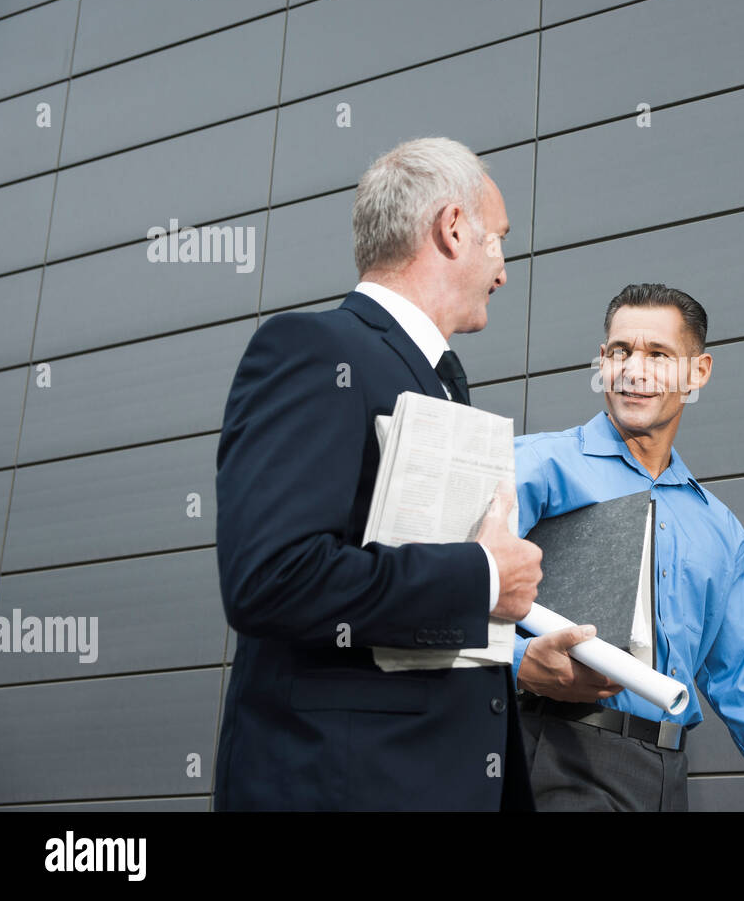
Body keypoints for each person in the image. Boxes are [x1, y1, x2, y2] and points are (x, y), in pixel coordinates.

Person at [213, 137, 542, 810]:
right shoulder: (313, 351)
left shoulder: (437, 382)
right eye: (498, 241)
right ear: (453, 229)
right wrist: (481, 577)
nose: (503, 271)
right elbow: (273, 577)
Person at [511, 283, 744, 812]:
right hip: (549, 752)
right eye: (620, 352)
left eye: (658, 355)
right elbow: (442, 592)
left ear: (697, 373)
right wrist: (518, 662)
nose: (635, 370)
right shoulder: (537, 468)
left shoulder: (719, 531)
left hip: (665, 777)